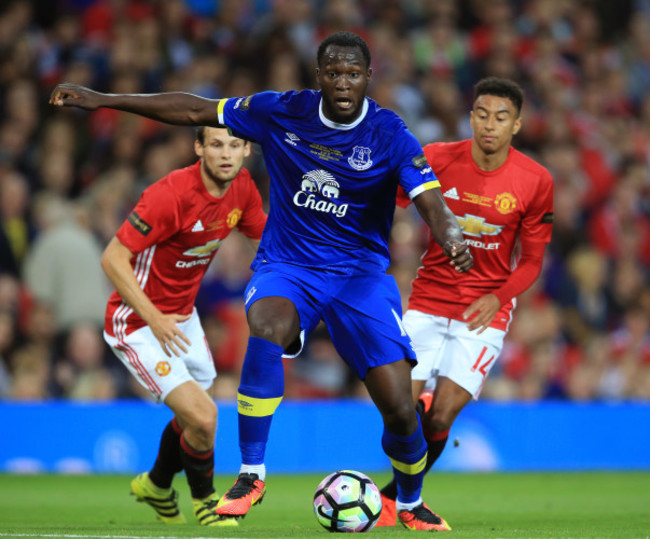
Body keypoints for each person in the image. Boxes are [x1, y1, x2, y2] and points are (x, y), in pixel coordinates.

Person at [50, 31, 473, 531]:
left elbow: (432, 203)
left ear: (367, 78)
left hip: (360, 276)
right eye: (333, 73)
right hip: (289, 265)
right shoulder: (281, 111)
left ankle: (409, 503)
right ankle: (251, 473)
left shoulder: (390, 132)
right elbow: (193, 110)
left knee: (401, 410)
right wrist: (106, 100)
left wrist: (452, 238)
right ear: (319, 77)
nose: (343, 83)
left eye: (353, 74)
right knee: (267, 324)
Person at [376, 77, 554, 528]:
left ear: (517, 124)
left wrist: (500, 297)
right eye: (481, 114)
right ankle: (400, 494)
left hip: (483, 315)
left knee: (443, 416)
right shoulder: (436, 158)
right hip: (428, 302)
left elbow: (531, 262)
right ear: (470, 115)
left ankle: (398, 501)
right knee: (397, 416)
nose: (489, 125)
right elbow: (387, 203)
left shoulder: (535, 181)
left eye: (500, 117)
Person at [98, 126, 266, 526]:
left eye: (234, 145)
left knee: (195, 420)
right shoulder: (170, 194)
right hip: (137, 321)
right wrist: (153, 318)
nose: (225, 154)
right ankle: (206, 500)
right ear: (198, 148)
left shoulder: (243, 188)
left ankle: (156, 484)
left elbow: (269, 240)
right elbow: (111, 259)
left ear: (246, 150)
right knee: (205, 417)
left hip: (183, 318)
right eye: (215, 144)